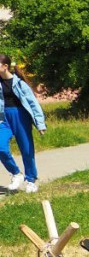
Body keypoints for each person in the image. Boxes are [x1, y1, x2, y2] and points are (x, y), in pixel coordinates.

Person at [0, 54, 47, 193]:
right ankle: (16, 173)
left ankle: (31, 180)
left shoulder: (19, 83)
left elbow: (33, 103)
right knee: (1, 147)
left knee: (27, 150)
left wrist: (40, 124)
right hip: (3, 118)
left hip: (21, 117)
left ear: (5, 66)